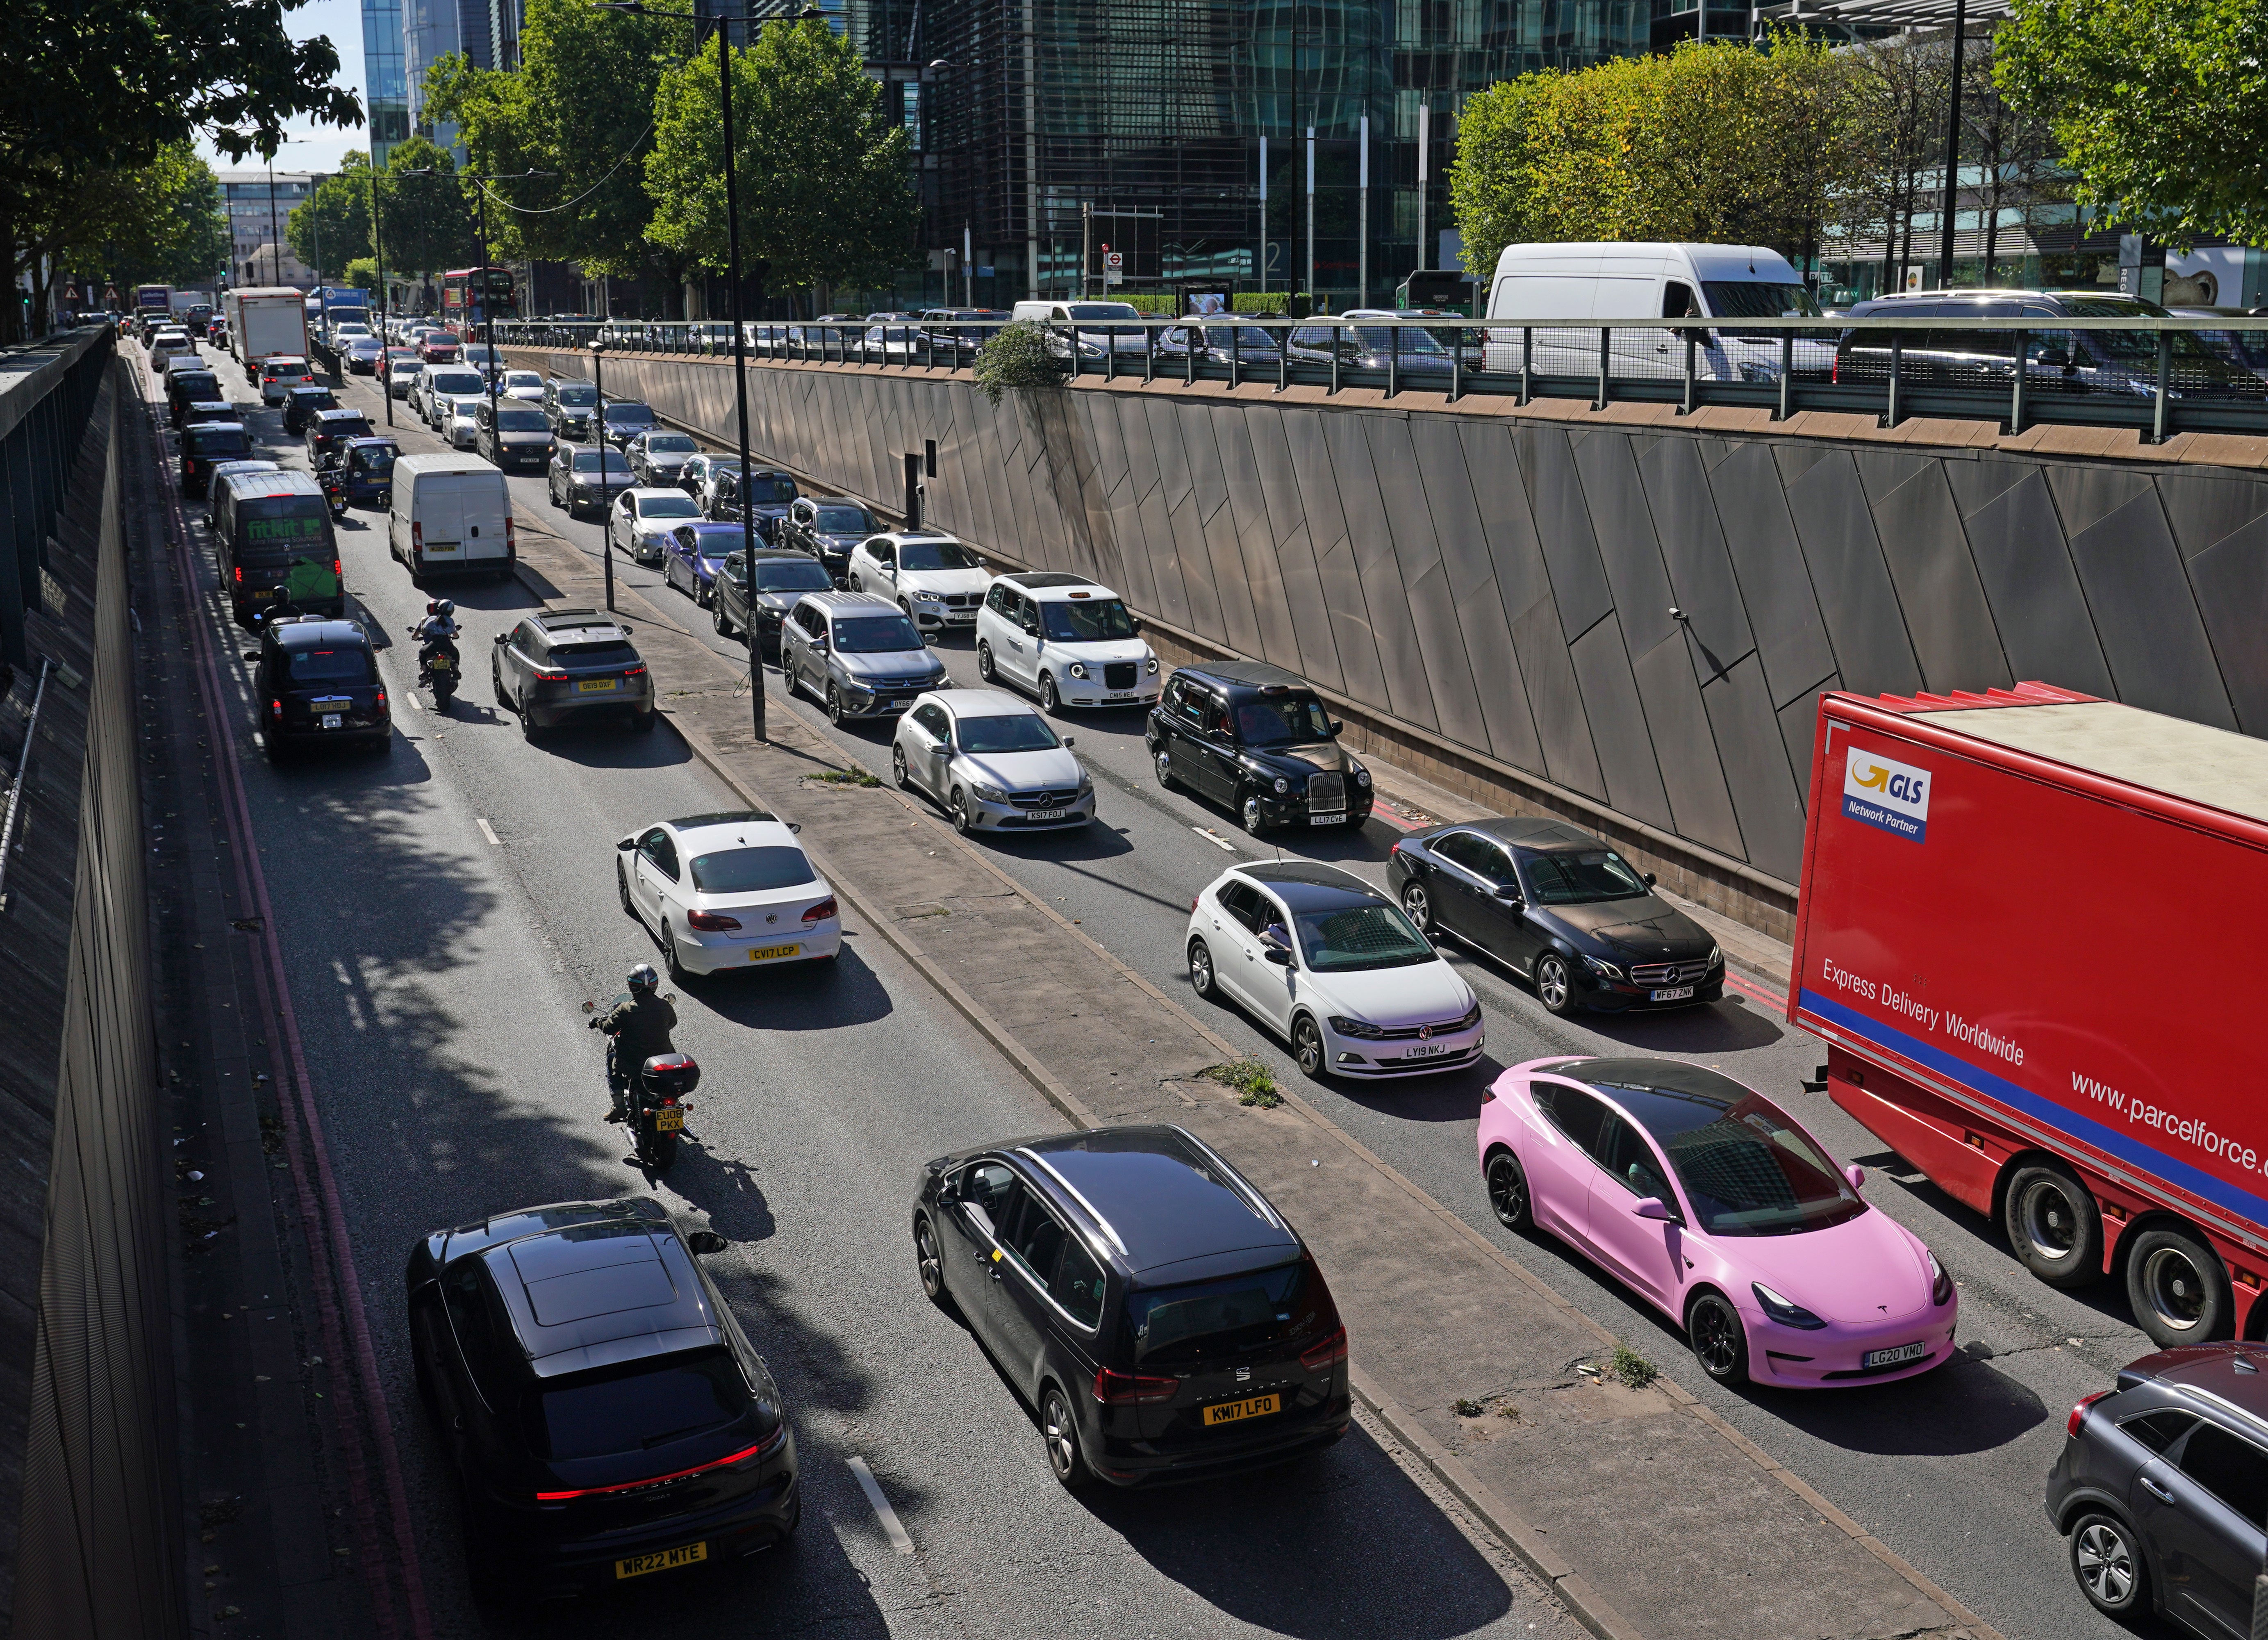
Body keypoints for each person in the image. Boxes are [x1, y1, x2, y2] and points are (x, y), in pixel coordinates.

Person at [589, 964, 676, 1122]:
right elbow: (672, 1023)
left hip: (635, 1063)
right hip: (665, 1060)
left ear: (632, 987)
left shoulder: (625, 1009)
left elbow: (609, 1028)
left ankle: (619, 1106)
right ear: (655, 986)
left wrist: (597, 1023)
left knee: (611, 1058)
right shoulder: (665, 1006)